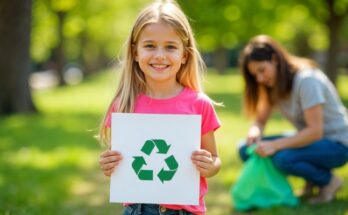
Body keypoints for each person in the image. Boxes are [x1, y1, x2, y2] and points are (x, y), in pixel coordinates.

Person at [98, 1, 221, 214]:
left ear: (185, 55)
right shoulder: (123, 105)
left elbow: (215, 159)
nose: (160, 55)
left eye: (171, 47)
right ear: (135, 52)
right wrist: (109, 165)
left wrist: (210, 166)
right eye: (150, 46)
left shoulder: (199, 104)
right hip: (138, 209)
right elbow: (119, 162)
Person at [238, 35, 348, 204]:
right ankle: (311, 180)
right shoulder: (272, 84)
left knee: (283, 158)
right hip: (311, 141)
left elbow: (315, 132)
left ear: (274, 59)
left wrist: (274, 145)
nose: (259, 79)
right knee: (246, 149)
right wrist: (255, 132)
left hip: (337, 144)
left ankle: (329, 181)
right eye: (254, 75)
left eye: (261, 70)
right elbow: (260, 120)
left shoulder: (306, 80)